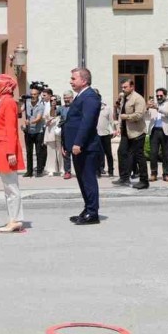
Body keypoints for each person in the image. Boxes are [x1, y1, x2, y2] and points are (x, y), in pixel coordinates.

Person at [62, 68, 103, 225]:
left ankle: (93, 213)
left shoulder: (90, 96)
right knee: (82, 180)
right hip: (76, 146)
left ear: (84, 81)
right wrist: (67, 143)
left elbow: (87, 122)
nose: (71, 81)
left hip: (86, 147)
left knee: (88, 180)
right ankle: (87, 208)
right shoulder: (81, 96)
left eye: (73, 78)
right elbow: (72, 122)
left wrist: (78, 142)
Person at [0, 74, 25, 232]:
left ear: (3, 85)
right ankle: (13, 218)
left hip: (6, 149)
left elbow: (11, 128)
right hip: (2, 147)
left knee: (11, 187)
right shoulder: (2, 101)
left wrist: (11, 152)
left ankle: (15, 219)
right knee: (8, 187)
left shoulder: (8, 102)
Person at [115, 78, 150, 189]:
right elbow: (121, 112)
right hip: (126, 131)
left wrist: (126, 117)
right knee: (122, 152)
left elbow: (139, 115)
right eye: (122, 87)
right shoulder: (124, 97)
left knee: (139, 156)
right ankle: (124, 177)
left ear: (132, 87)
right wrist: (120, 126)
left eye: (125, 87)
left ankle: (144, 181)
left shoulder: (138, 98)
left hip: (137, 132)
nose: (123, 89)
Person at [148, 88, 168, 183]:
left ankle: (166, 174)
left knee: (165, 154)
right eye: (157, 96)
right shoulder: (153, 105)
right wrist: (147, 107)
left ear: (165, 95)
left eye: (161, 95)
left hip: (165, 131)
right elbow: (145, 116)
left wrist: (157, 108)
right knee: (153, 153)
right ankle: (153, 174)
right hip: (154, 131)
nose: (159, 97)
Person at [22, 83, 48, 177]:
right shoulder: (26, 103)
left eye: (35, 94)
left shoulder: (41, 105)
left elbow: (38, 118)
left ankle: (39, 171)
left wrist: (30, 122)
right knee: (29, 152)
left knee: (38, 152)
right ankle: (29, 171)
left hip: (38, 132)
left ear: (38, 95)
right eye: (31, 94)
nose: (33, 96)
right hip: (28, 132)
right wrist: (19, 102)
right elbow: (19, 111)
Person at [43, 90, 65, 177]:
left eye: (55, 100)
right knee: (51, 152)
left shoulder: (61, 108)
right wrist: (49, 119)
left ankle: (62, 169)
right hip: (50, 132)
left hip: (59, 132)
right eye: (51, 100)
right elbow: (46, 120)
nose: (53, 102)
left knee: (60, 151)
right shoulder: (47, 108)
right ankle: (51, 169)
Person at [95, 97, 115, 179]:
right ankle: (98, 171)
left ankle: (111, 171)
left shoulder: (107, 108)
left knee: (109, 153)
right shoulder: (93, 109)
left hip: (106, 134)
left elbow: (111, 121)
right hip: (96, 134)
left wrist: (114, 130)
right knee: (98, 154)